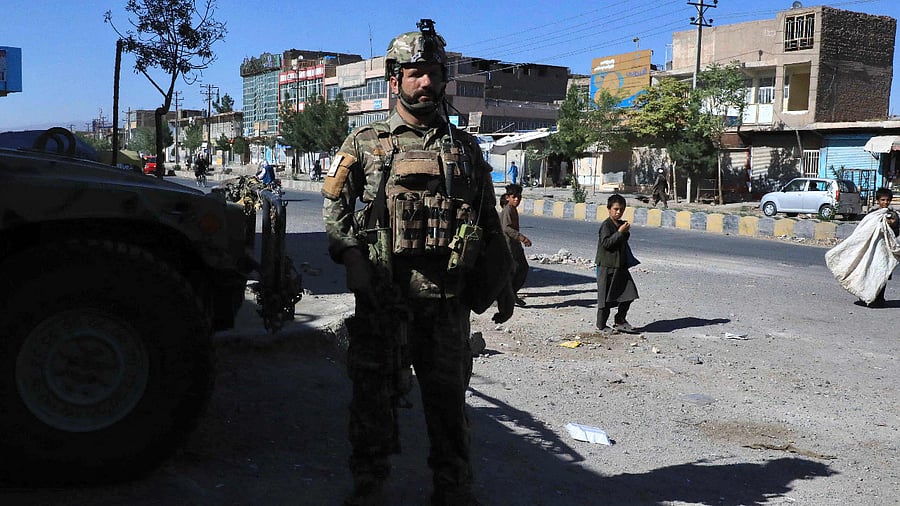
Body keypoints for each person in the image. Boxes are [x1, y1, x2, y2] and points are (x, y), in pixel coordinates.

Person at [322, 19, 513, 506]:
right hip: (384, 299)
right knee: (372, 400)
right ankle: (369, 484)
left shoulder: (466, 148)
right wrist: (351, 257)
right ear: (394, 79)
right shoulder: (365, 143)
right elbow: (335, 208)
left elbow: (489, 221)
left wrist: (504, 280)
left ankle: (452, 489)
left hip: (447, 306)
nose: (425, 83)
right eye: (414, 74)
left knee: (448, 406)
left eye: (433, 73)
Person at [595, 194, 640, 334]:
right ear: (609, 209)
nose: (618, 212)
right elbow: (607, 243)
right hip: (606, 267)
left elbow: (623, 241)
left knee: (629, 293)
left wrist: (624, 232)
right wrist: (620, 233)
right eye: (615, 209)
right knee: (605, 300)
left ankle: (620, 320)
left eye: (621, 209)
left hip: (620, 267)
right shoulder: (606, 225)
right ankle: (601, 326)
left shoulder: (621, 224)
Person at [866, 187, 900, 307]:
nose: (885, 202)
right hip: (874, 247)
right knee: (871, 272)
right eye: (883, 200)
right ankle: (869, 296)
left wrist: (892, 225)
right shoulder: (872, 214)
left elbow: (896, 232)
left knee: (884, 273)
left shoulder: (893, 215)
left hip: (886, 249)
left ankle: (880, 298)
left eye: (887, 200)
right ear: (877, 201)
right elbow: (865, 229)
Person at [500, 183, 532, 306]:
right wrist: (522, 238)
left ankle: (511, 294)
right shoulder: (508, 209)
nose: (517, 200)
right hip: (509, 246)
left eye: (519, 197)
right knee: (518, 270)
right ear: (508, 197)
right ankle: (510, 295)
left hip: (514, 246)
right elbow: (506, 228)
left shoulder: (512, 209)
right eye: (514, 197)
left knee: (520, 269)